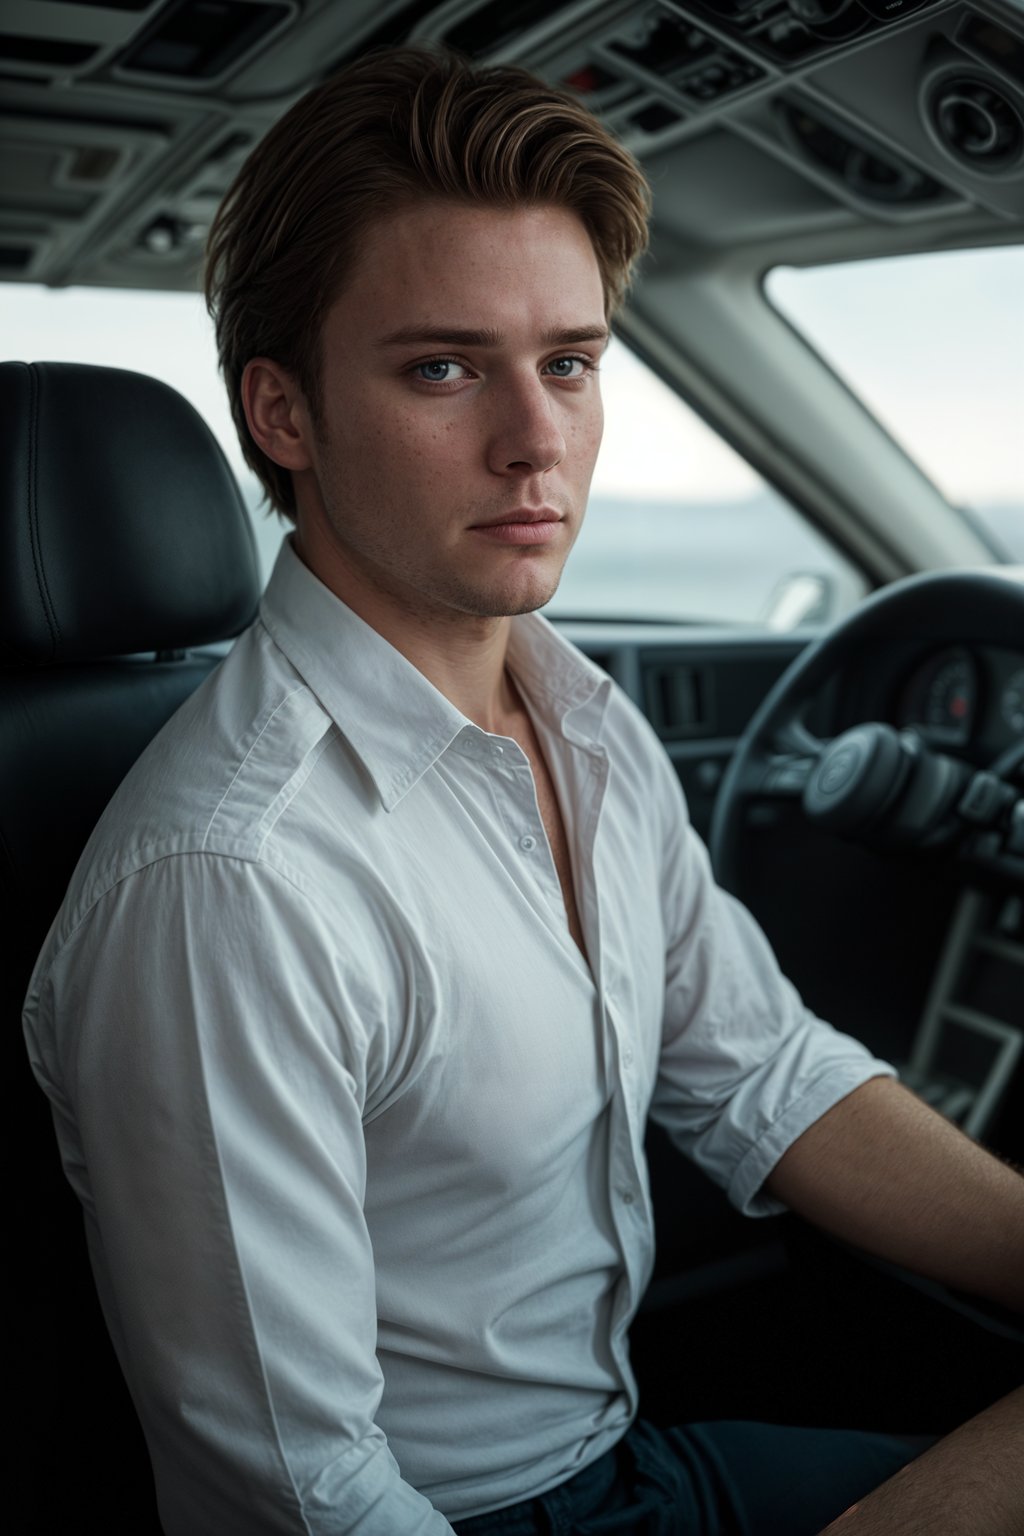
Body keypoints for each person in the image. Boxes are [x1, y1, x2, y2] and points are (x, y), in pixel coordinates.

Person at [23, 44, 1023, 1536]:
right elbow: (298, 1496)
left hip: (627, 1439)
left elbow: (759, 1071)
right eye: (443, 366)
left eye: (567, 361)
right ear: (284, 416)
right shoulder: (232, 882)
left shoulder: (576, 712)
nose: (536, 438)